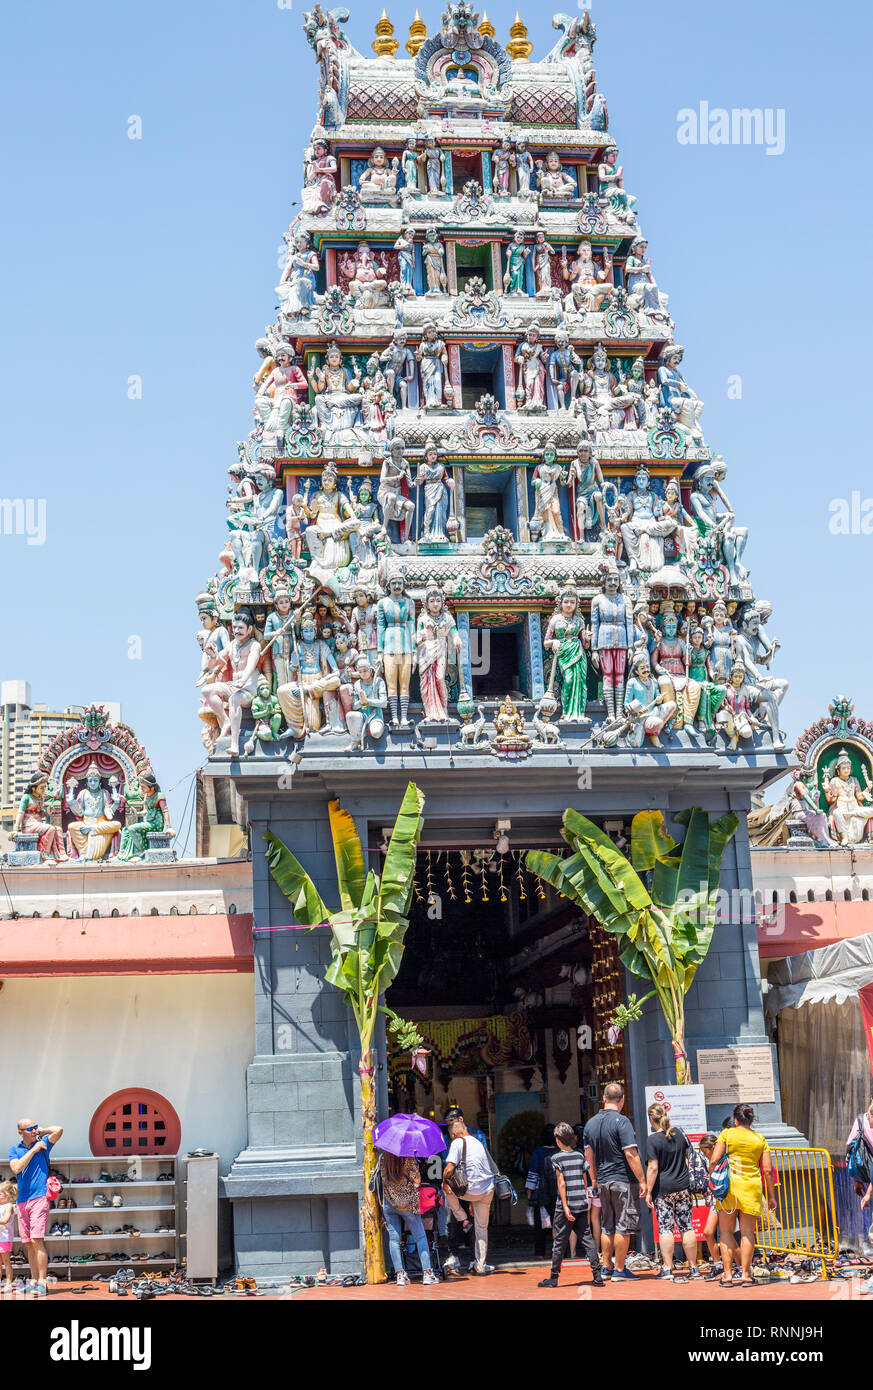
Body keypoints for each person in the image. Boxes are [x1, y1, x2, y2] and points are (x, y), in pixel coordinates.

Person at [582, 1083, 646, 1280]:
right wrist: (642, 1179)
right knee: (623, 1226)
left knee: (607, 1225)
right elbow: (630, 1153)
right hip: (623, 1180)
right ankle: (620, 1269)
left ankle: (606, 1266)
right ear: (622, 1099)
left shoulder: (590, 1123)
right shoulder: (622, 1121)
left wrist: (593, 1179)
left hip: (602, 1181)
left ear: (603, 1098)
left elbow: (588, 1155)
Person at [710, 1103, 776, 1288]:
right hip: (752, 1188)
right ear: (751, 1120)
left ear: (736, 1119)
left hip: (729, 1187)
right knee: (748, 1232)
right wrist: (771, 1196)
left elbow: (714, 1159)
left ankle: (728, 1274)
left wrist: (712, 1181)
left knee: (725, 1231)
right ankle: (746, 1275)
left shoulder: (727, 1134)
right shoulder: (760, 1139)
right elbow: (768, 1170)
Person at [538, 1123, 603, 1289]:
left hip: (565, 1207)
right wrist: (584, 1199)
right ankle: (597, 1275)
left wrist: (566, 1207)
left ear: (558, 1141)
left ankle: (553, 1277)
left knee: (559, 1242)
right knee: (587, 1240)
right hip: (581, 1203)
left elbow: (561, 1184)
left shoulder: (556, 1158)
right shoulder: (580, 1156)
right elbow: (584, 1180)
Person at [644, 1102, 702, 1280]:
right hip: (683, 1186)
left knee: (665, 1228)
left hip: (664, 1189)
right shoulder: (679, 1134)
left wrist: (648, 1191)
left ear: (651, 1120)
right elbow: (688, 1157)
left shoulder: (653, 1140)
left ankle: (668, 1268)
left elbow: (653, 1168)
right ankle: (694, 1268)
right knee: (687, 1226)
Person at [9, 1116, 63, 1298]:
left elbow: (59, 1129)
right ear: (20, 1132)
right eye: (29, 1128)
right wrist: (33, 1150)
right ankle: (33, 1280)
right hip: (22, 1200)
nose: (33, 1130)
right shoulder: (15, 1150)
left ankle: (42, 1281)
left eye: (35, 1127)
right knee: (28, 1244)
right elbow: (16, 1168)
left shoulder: (44, 1142)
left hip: (39, 1197)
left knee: (37, 1239)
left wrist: (43, 1131)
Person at [442, 1117, 494, 1275]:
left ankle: (462, 1218)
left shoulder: (457, 1143)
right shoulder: (479, 1143)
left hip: (469, 1191)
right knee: (481, 1229)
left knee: (445, 1187)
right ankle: (481, 1264)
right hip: (487, 1191)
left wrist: (445, 1181)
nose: (452, 1138)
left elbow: (449, 1168)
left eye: (451, 1135)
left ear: (455, 1133)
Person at [379, 1151, 439, 1287]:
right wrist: (416, 1168)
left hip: (389, 1203)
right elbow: (416, 1180)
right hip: (407, 1204)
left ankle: (400, 1275)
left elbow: (383, 1178)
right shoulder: (407, 1157)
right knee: (420, 1237)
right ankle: (428, 1273)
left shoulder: (383, 1157)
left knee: (394, 1239)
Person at [526, 1124, 557, 1259]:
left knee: (540, 1225)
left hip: (541, 1192)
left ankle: (540, 1254)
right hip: (558, 1192)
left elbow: (533, 1173)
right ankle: (561, 1252)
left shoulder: (538, 1153)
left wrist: (529, 1192)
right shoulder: (560, 1151)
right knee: (559, 1223)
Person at [697, 1132, 723, 1279]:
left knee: (729, 1236)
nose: (704, 1155)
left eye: (705, 1151)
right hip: (716, 1201)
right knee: (708, 1232)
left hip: (725, 1200)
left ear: (713, 1148)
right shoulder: (710, 1161)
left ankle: (738, 1267)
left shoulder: (720, 1160)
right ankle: (718, 1264)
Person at [846, 1098, 873, 1210]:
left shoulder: (860, 1121)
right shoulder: (861, 1121)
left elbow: (850, 1149)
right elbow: (853, 1151)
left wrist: (868, 1194)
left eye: (871, 1115)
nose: (868, 1118)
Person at [0, 1181, 16, 1292]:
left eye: (0, 1194)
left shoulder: (9, 1206)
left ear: (7, 1194)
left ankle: (9, 1283)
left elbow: (5, 1220)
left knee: (6, 1262)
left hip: (5, 1238)